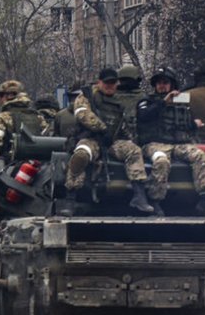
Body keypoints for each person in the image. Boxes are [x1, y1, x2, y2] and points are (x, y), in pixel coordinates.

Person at [59, 68, 154, 216]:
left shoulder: (118, 101)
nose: (110, 86)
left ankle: (139, 195)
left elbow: (122, 125)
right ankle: (70, 198)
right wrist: (102, 129)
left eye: (113, 83)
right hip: (91, 139)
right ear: (99, 82)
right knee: (82, 155)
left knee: (134, 151)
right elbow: (83, 114)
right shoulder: (87, 97)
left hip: (112, 141)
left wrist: (131, 139)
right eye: (107, 83)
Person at [136, 67, 205, 217]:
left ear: (172, 85)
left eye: (165, 82)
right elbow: (143, 116)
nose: (161, 86)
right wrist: (163, 102)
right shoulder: (147, 101)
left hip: (178, 144)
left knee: (200, 157)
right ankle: (155, 202)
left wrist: (193, 124)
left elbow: (183, 124)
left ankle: (204, 200)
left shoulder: (181, 102)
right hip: (155, 144)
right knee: (161, 161)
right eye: (158, 83)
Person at [0, 80, 48, 168]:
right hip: (37, 166)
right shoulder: (38, 116)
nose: (0, 99)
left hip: (11, 166)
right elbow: (47, 139)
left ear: (9, 96)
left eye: (1, 95)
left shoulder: (3, 117)